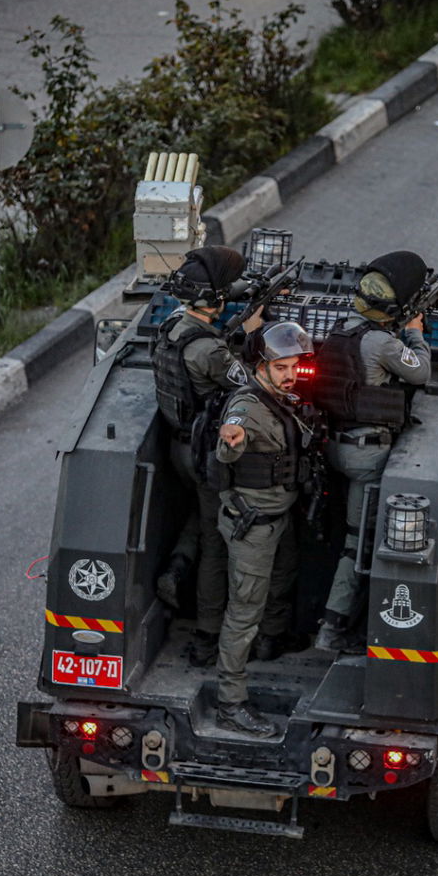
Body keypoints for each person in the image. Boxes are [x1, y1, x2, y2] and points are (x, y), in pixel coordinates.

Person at [309, 251, 432, 653]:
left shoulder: (341, 331)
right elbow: (421, 371)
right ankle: (333, 629)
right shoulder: (382, 343)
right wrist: (414, 333)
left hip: (334, 447)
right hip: (366, 457)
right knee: (358, 542)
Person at [151, 245, 260, 668]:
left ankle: (177, 567)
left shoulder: (172, 327)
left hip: (179, 447)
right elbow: (247, 384)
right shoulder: (209, 350)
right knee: (217, 543)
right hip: (205, 454)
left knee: (201, 512)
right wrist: (251, 333)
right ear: (214, 299)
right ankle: (207, 632)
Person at [210, 321, 318, 737]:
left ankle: (270, 640)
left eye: (293, 366)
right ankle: (230, 702)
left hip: (278, 518)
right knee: (243, 613)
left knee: (282, 579)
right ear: (261, 367)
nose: (290, 375)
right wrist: (232, 438)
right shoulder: (248, 407)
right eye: (280, 367)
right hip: (253, 527)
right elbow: (230, 441)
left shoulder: (279, 398)